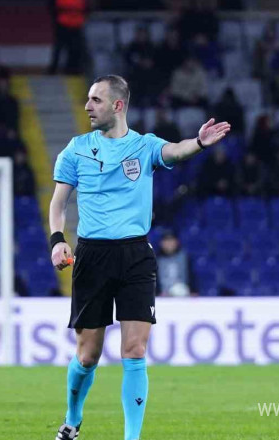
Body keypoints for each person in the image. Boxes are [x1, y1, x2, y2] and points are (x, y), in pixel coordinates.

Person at [49, 75, 229, 440]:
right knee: (87, 356)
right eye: (87, 99)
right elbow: (58, 202)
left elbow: (174, 151)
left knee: (134, 349)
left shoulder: (143, 146)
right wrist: (57, 240)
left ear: (117, 105)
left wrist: (198, 142)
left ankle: (132, 438)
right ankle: (72, 420)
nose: (87, 106)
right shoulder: (76, 148)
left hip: (135, 256)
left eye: (96, 100)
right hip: (92, 256)